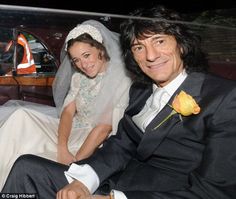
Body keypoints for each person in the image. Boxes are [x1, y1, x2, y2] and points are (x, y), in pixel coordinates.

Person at [2, 5, 236, 199]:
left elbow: (215, 191)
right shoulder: (142, 90)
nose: (151, 56)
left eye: (160, 41)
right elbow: (121, 144)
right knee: (27, 167)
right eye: (139, 47)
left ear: (181, 44)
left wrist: (117, 198)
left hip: (158, 192)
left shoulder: (224, 97)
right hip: (116, 177)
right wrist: (85, 181)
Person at [0, 19, 131, 190]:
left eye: (86, 55)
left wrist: (75, 160)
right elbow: (68, 113)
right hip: (73, 129)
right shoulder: (79, 77)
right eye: (76, 60)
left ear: (100, 48)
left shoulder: (121, 79)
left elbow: (103, 129)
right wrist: (62, 147)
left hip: (93, 139)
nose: (83, 65)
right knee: (20, 116)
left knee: (25, 153)